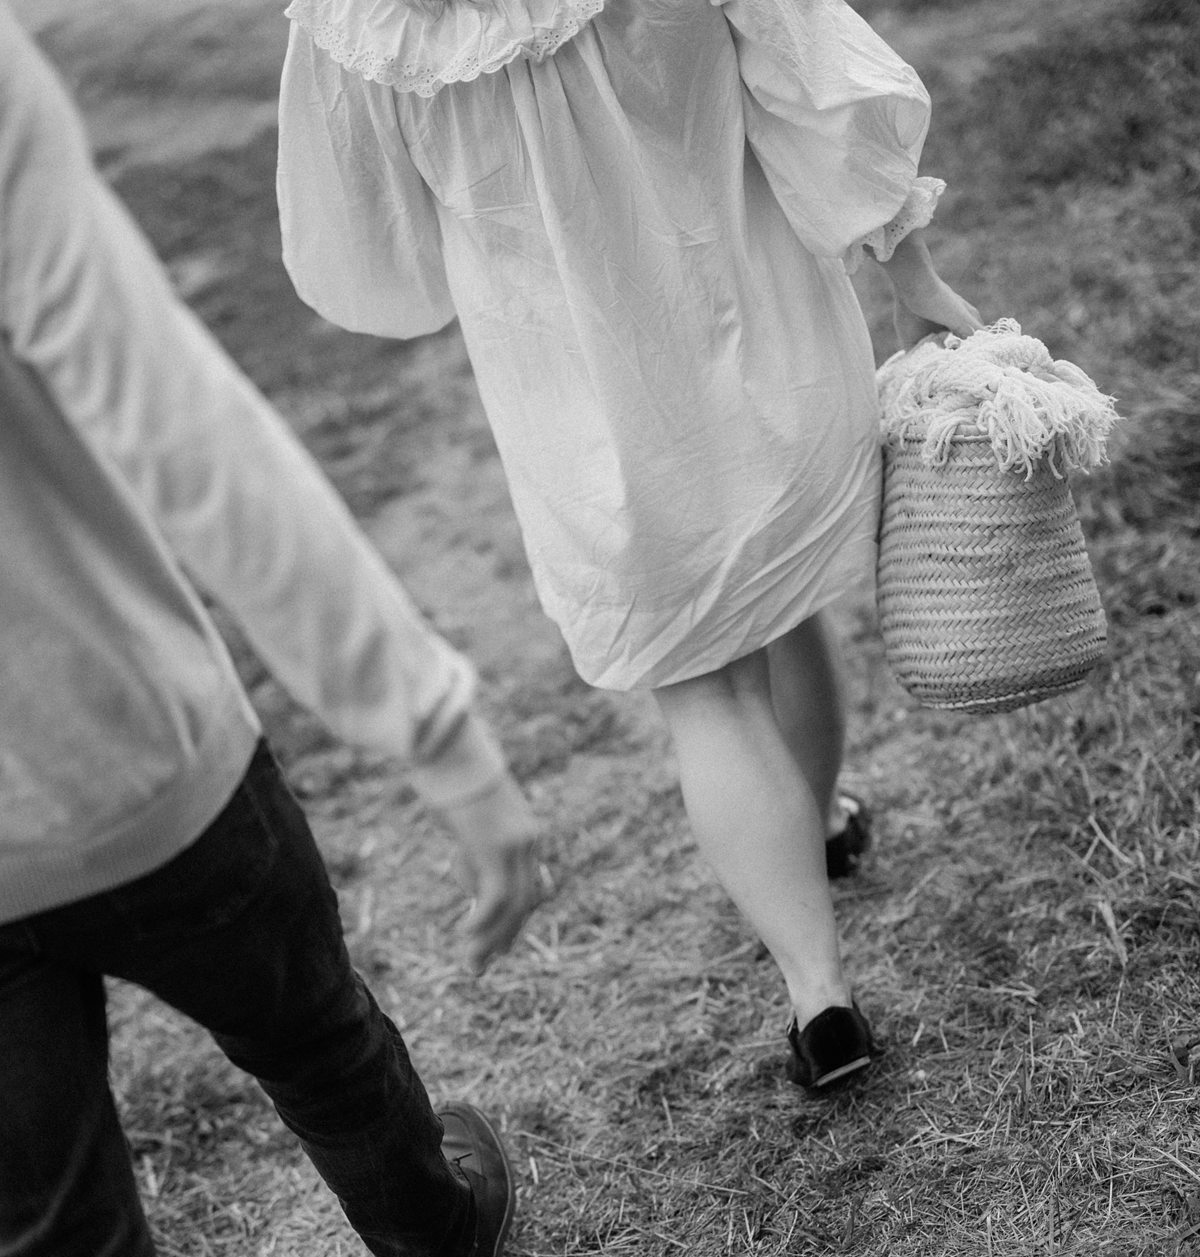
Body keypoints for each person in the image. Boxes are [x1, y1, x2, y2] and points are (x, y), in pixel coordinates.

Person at [0, 8, 542, 1257]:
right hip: (133, 761)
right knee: (316, 1034)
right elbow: (180, 425)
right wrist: (433, 721)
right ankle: (444, 1248)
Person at [276, 0, 983, 1095]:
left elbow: (377, 254)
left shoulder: (361, 17)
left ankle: (821, 998)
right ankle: (826, 821)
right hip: (762, 334)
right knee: (783, 605)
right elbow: (823, 88)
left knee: (705, 691)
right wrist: (913, 271)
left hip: (584, 416)